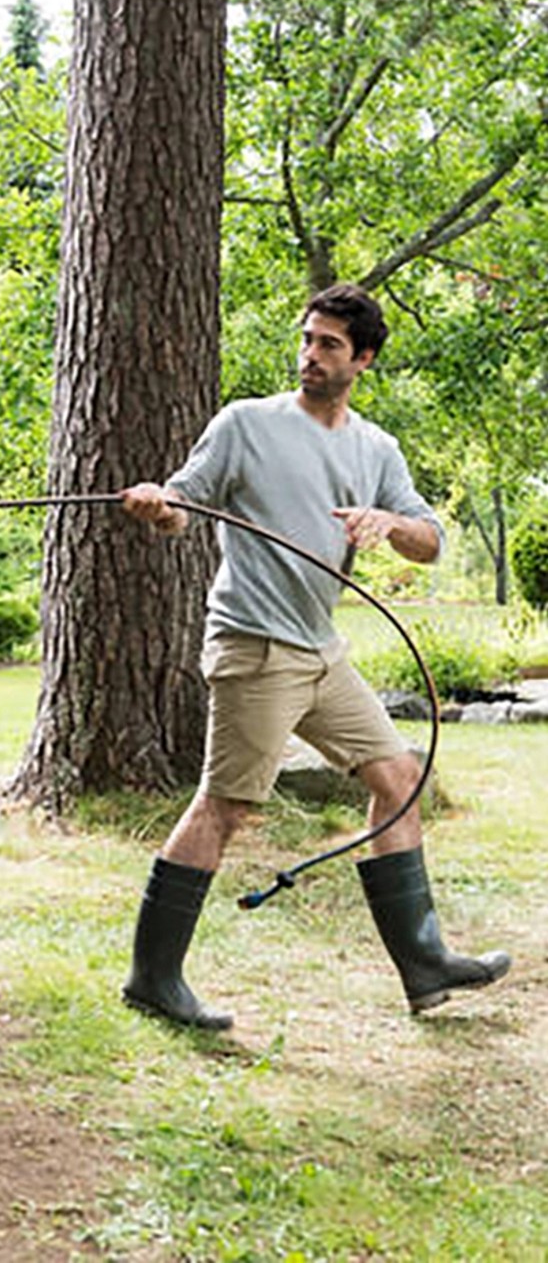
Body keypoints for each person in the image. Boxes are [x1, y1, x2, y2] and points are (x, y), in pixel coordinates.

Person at [119, 283, 510, 1029]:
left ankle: (424, 964)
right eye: (307, 339)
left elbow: (430, 541)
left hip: (321, 652)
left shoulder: (376, 449)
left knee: (399, 777)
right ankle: (153, 977)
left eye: (329, 345)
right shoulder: (246, 425)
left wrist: (388, 522)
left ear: (362, 359)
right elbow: (180, 503)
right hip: (256, 645)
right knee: (226, 806)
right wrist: (154, 504)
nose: (310, 355)